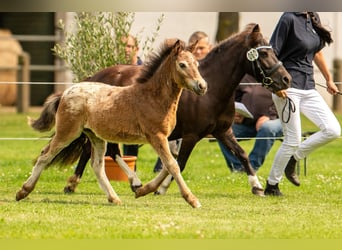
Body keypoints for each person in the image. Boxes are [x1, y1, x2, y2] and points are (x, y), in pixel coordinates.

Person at [264, 12, 341, 196]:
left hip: (309, 87)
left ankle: (294, 158)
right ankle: (271, 185)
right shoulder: (288, 18)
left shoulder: (313, 17)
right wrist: (276, 86)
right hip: (287, 88)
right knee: (292, 139)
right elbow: (271, 54)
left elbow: (317, 52)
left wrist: (329, 79)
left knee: (333, 130)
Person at [153, 31, 212, 173]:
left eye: (202, 48)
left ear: (209, 48)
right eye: (196, 48)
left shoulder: (205, 68)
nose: (198, 51)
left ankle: (165, 167)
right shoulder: (180, 65)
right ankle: (163, 166)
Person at [217, 74, 283, 172]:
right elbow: (235, 99)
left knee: (267, 128)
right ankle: (238, 168)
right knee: (221, 131)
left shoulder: (277, 75)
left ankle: (251, 167)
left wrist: (269, 116)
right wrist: (234, 113)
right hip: (248, 123)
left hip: (276, 120)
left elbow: (285, 100)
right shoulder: (244, 77)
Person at [122, 34, 142, 157]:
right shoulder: (116, 71)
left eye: (129, 46)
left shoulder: (143, 70)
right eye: (123, 46)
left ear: (137, 49)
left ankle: (130, 170)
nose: (126, 49)